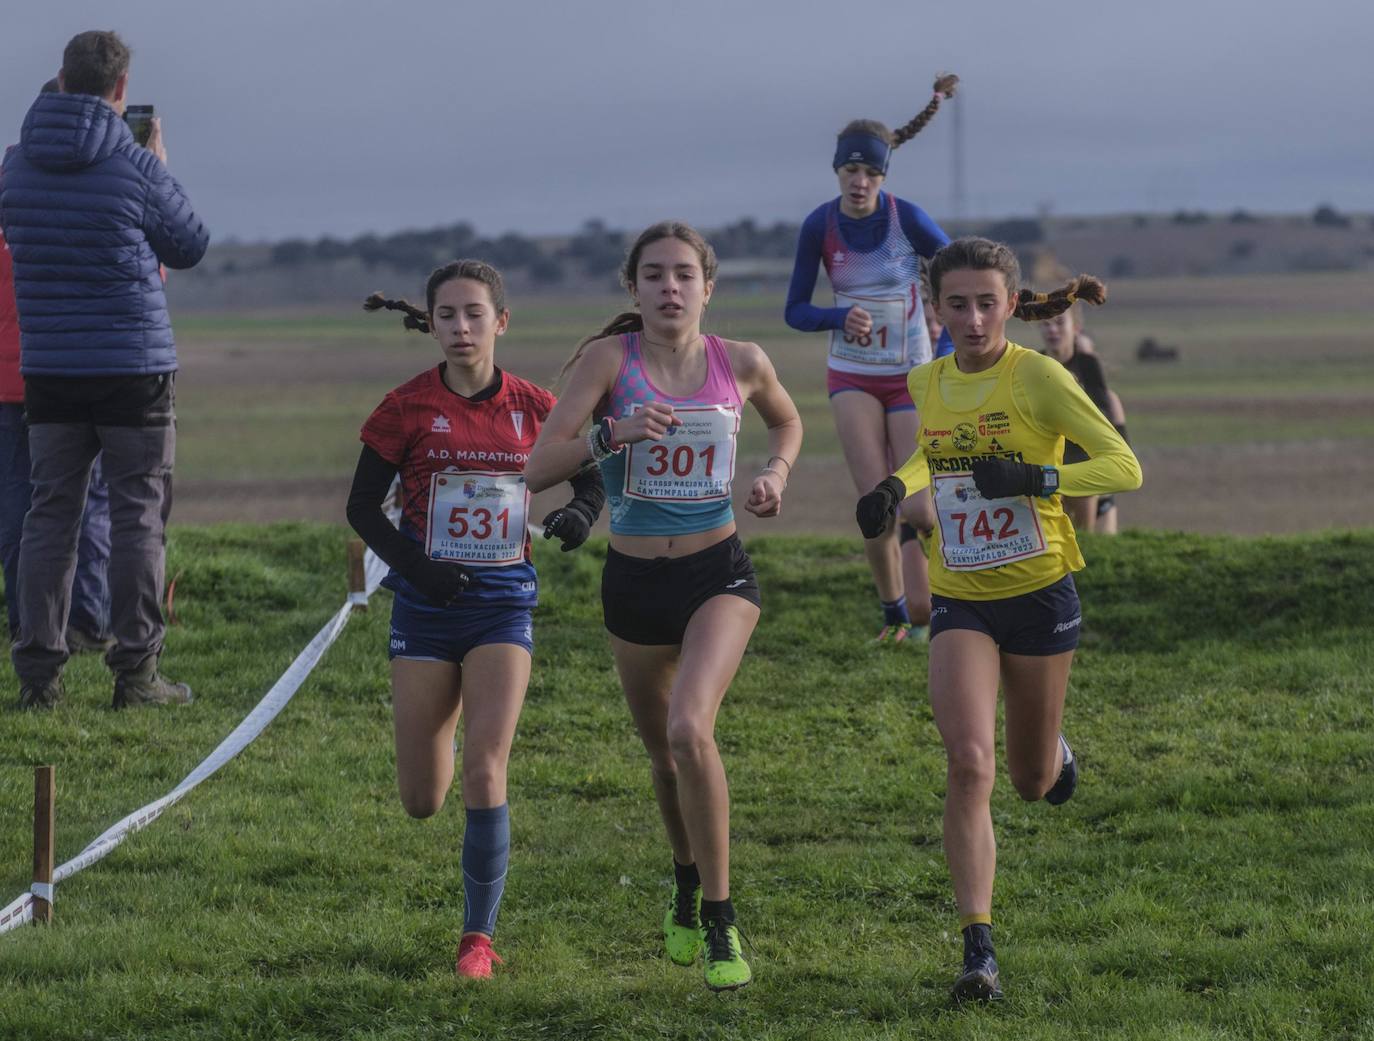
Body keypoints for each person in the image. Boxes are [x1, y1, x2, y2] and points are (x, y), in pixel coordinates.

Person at [855, 238, 1141, 1003]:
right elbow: (932, 455)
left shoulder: (1040, 377)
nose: (974, 319)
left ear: (1011, 305)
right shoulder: (929, 379)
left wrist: (1037, 476)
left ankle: (1052, 746)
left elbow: (1123, 466)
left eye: (987, 303)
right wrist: (893, 485)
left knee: (1029, 778)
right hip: (961, 595)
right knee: (969, 762)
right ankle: (978, 950)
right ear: (934, 307)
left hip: (1042, 591)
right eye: (958, 304)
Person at [526, 221, 802, 992]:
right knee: (662, 756)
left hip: (718, 573)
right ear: (635, 288)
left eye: (684, 274)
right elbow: (537, 464)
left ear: (707, 287)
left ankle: (721, 917)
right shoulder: (607, 363)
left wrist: (776, 473)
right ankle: (684, 879)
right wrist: (609, 433)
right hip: (634, 583)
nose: (670, 287)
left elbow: (789, 417)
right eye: (655, 274)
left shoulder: (741, 361)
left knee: (690, 729)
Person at [348, 260, 605, 980]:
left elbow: (588, 471)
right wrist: (418, 566)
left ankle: (476, 940)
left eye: (474, 313)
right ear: (429, 324)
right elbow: (361, 507)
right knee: (423, 798)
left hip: (503, 603)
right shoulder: (404, 406)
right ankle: (440, 738)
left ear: (502, 320)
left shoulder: (535, 406)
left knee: (486, 767)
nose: (461, 328)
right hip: (426, 610)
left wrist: (582, 513)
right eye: (447, 315)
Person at [0, 31, 208, 709]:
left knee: (48, 518)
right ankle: (137, 674)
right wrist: (159, 165)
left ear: (60, 79)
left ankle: (38, 678)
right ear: (121, 92)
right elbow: (190, 243)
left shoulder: (13, 166)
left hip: (51, 370)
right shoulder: (135, 165)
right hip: (133, 369)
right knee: (137, 519)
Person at [784, 73, 958, 646]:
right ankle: (894, 616)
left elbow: (962, 271)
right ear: (837, 171)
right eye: (850, 172)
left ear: (884, 176)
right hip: (852, 376)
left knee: (919, 509)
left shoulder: (906, 218)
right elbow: (795, 311)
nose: (860, 182)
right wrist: (839, 317)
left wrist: (947, 345)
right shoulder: (820, 225)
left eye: (871, 173)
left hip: (909, 376)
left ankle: (954, 599)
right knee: (874, 505)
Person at [0, 80, 112, 654]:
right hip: (73, 376)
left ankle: (27, 624)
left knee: (22, 502)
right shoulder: (95, 195)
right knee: (88, 502)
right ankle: (87, 622)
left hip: (8, 381)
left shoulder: (9, 190)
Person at [1038, 303, 1130, 533]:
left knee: (1086, 544)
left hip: (1084, 472)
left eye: (1059, 323)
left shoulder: (1088, 365)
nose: (1052, 330)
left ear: (1075, 328)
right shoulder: (1035, 365)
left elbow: (1104, 411)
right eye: (1046, 324)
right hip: (1047, 472)